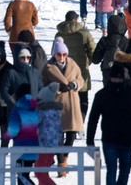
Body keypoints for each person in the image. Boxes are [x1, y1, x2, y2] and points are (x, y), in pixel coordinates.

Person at [86, 63, 131, 185]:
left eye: (119, 78)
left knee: (125, 171)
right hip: (109, 139)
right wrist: (90, 139)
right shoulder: (102, 95)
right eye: (115, 77)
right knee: (111, 171)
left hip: (128, 139)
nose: (117, 80)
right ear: (110, 77)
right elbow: (93, 118)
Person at [43, 38, 84, 173]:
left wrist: (75, 84)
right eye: (59, 54)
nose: (61, 57)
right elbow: (43, 85)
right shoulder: (48, 67)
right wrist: (56, 87)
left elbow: (80, 79)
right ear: (54, 54)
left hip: (72, 104)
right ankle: (61, 164)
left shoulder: (72, 64)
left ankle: (64, 157)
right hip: (56, 104)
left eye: (64, 54)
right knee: (58, 135)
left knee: (71, 134)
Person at [55, 11, 96, 116]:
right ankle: (80, 123)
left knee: (65, 98)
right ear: (75, 19)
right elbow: (93, 51)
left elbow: (55, 52)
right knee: (83, 99)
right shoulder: (84, 33)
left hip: (63, 70)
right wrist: (88, 62)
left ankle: (67, 124)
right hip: (81, 69)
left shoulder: (59, 34)